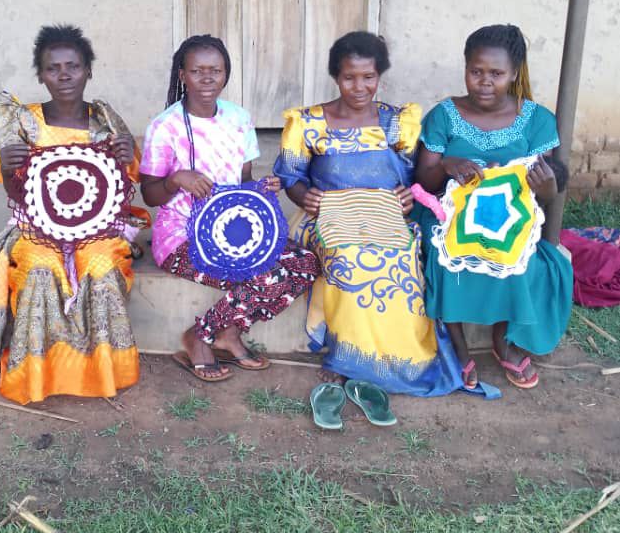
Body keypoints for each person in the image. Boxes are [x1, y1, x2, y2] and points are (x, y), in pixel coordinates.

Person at [0, 24, 148, 405]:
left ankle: (105, 369)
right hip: (37, 228)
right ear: (41, 75)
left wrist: (127, 156)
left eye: (73, 66)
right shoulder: (23, 121)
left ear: (88, 70)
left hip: (99, 228)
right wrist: (12, 170)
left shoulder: (104, 119)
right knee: (41, 269)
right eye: (53, 68)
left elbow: (122, 185)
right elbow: (18, 195)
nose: (64, 76)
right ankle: (36, 374)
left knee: (99, 266)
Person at [273, 31, 464, 405]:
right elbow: (290, 178)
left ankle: (406, 358)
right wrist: (304, 196)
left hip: (385, 215)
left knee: (401, 257)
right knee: (348, 256)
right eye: (349, 78)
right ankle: (348, 356)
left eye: (368, 77)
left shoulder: (398, 122)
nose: (359, 87)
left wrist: (411, 194)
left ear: (380, 76)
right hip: (327, 213)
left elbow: (414, 177)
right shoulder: (308, 122)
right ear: (335, 76)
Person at [139, 34, 319, 383]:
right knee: (268, 274)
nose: (207, 79)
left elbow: (243, 183)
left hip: (235, 232)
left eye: (216, 71)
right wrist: (177, 179)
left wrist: (262, 189)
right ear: (182, 75)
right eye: (197, 71)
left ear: (226, 74)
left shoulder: (239, 118)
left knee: (304, 263)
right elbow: (149, 195)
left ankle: (226, 333)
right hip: (181, 238)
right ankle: (201, 336)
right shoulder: (165, 127)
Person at [415, 24, 573, 389]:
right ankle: (458, 346)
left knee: (517, 257)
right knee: (443, 255)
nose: (484, 82)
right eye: (476, 72)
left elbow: (543, 189)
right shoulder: (445, 115)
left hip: (509, 216)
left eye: (496, 74)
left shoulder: (536, 120)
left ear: (514, 74)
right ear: (465, 68)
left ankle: (503, 338)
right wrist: (446, 165)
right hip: (447, 211)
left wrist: (549, 187)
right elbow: (423, 180)